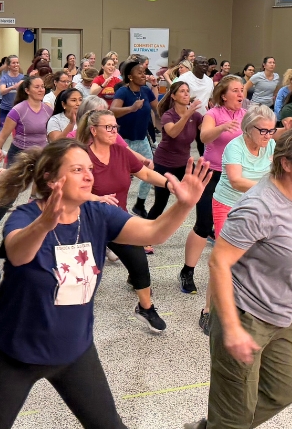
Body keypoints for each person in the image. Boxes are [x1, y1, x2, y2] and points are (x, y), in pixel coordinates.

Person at [0, 140, 209, 429]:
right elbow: (18, 252)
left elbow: (154, 232)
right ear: (51, 179)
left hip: (74, 351)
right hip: (15, 354)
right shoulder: (25, 217)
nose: (89, 176)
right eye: (77, 169)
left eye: (90, 169)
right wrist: (44, 224)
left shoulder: (97, 214)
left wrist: (184, 204)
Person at [185, 128, 292, 429]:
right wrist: (230, 328)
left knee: (282, 393)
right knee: (234, 414)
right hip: (244, 315)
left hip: (283, 314)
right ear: (285, 163)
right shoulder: (257, 208)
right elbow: (218, 262)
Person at [78, 110, 173, 332]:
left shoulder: (121, 151)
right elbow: (71, 189)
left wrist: (170, 184)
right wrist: (97, 198)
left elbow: (146, 174)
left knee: (139, 262)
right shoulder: (82, 156)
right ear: (94, 130)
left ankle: (146, 308)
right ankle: (71, 316)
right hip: (87, 223)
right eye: (108, 127)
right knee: (86, 275)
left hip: (117, 220)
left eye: (115, 127)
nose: (113, 131)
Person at [196, 104, 277, 335]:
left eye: (271, 130)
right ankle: (208, 310)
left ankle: (248, 305)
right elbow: (236, 181)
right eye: (263, 131)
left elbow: (276, 173)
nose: (268, 136)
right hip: (228, 205)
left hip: (257, 205)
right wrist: (271, 187)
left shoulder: (270, 144)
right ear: (248, 128)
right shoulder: (234, 146)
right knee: (224, 259)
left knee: (256, 257)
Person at [181, 77, 245, 295]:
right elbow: (204, 136)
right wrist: (222, 127)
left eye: (242, 90)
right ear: (223, 95)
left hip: (235, 176)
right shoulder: (213, 114)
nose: (240, 94)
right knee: (203, 223)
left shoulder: (245, 116)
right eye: (235, 90)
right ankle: (187, 271)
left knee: (236, 225)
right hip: (212, 174)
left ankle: (233, 273)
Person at [0, 77, 53, 232]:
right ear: (27, 90)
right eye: (37, 87)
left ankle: (42, 232)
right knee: (8, 198)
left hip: (41, 156)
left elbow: (51, 135)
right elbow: (3, 136)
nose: (41, 89)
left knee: (47, 193)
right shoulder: (18, 110)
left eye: (43, 86)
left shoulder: (48, 109)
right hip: (19, 154)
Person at [150, 81, 203, 227]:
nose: (186, 94)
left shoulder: (196, 116)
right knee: (160, 203)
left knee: (197, 197)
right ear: (173, 96)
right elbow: (173, 132)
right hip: (164, 164)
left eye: (187, 91)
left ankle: (203, 227)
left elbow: (205, 135)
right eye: (182, 91)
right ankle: (144, 234)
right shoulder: (169, 115)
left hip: (183, 164)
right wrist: (187, 114)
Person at [111, 59, 159, 217]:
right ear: (130, 77)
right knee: (123, 176)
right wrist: (131, 108)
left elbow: (157, 108)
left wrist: (156, 86)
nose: (143, 75)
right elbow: (113, 111)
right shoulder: (123, 92)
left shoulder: (145, 91)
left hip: (142, 139)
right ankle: (117, 206)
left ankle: (139, 203)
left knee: (150, 169)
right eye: (140, 73)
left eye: (144, 72)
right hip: (123, 140)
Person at [0, 56, 25, 126]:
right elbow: (2, 91)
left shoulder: (23, 77)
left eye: (17, 63)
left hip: (19, 109)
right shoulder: (5, 78)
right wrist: (12, 87)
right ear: (9, 66)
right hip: (5, 109)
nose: (16, 65)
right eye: (13, 63)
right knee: (3, 130)